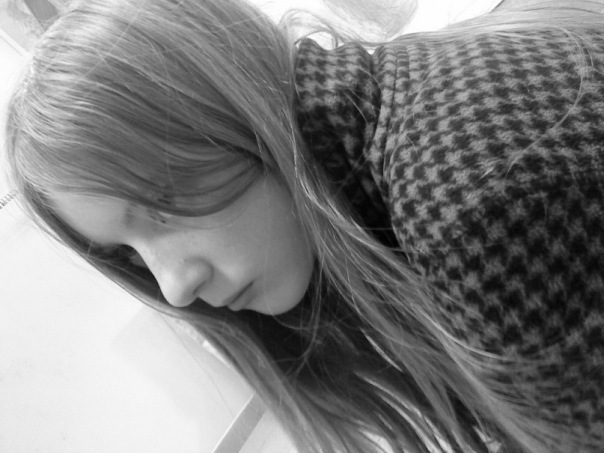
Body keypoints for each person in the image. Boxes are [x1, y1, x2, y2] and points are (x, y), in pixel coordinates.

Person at [4, 0, 604, 451]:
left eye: (160, 199)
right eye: (131, 253)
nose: (175, 287)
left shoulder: (473, 210)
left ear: (228, 97)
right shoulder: (403, 95)